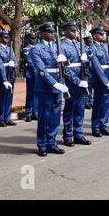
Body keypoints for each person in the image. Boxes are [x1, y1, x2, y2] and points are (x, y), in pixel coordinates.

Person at [31, 22, 68, 156]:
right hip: (45, 87)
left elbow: (64, 66)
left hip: (57, 85)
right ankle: (42, 144)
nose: (52, 34)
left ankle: (52, 143)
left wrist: (64, 61)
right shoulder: (36, 49)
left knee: (55, 117)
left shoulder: (57, 47)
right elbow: (41, 70)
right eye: (49, 32)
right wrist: (54, 84)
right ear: (42, 33)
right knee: (44, 117)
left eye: (53, 32)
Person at [60, 21, 91, 147]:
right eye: (72, 30)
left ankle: (78, 134)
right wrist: (78, 81)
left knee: (80, 109)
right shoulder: (61, 46)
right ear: (65, 31)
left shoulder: (79, 44)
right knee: (69, 109)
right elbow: (64, 68)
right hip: (71, 81)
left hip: (82, 79)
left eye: (75, 30)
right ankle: (68, 136)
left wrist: (86, 59)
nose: (75, 33)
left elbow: (85, 64)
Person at [87, 26, 109, 137]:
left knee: (106, 103)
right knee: (98, 104)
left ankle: (103, 126)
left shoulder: (106, 46)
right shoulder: (91, 48)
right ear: (95, 35)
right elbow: (96, 66)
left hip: (108, 76)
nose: (103, 36)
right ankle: (95, 127)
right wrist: (106, 81)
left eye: (103, 34)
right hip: (99, 79)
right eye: (100, 34)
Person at [0, 31, 17, 127]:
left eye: (7, 37)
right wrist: (4, 80)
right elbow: (0, 66)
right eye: (4, 37)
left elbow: (15, 62)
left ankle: (7, 117)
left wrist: (13, 64)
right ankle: (0, 119)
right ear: (0, 38)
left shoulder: (10, 49)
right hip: (3, 77)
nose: (6, 39)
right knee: (2, 98)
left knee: (9, 97)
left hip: (11, 75)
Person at [22, 32, 38, 122]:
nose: (34, 40)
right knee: (30, 94)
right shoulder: (26, 49)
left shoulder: (36, 48)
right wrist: (37, 73)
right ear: (28, 39)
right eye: (32, 38)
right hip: (31, 74)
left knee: (36, 94)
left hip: (37, 74)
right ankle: (28, 113)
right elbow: (31, 62)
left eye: (35, 38)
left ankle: (35, 113)